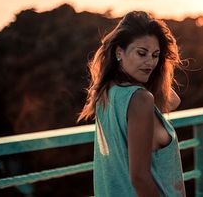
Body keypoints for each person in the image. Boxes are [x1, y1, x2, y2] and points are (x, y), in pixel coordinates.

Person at [77, 11, 186, 197]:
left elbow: (173, 100)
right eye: (141, 53)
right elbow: (139, 178)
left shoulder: (106, 92)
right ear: (119, 52)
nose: (150, 62)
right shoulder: (140, 99)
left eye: (155, 55)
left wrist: (156, 73)